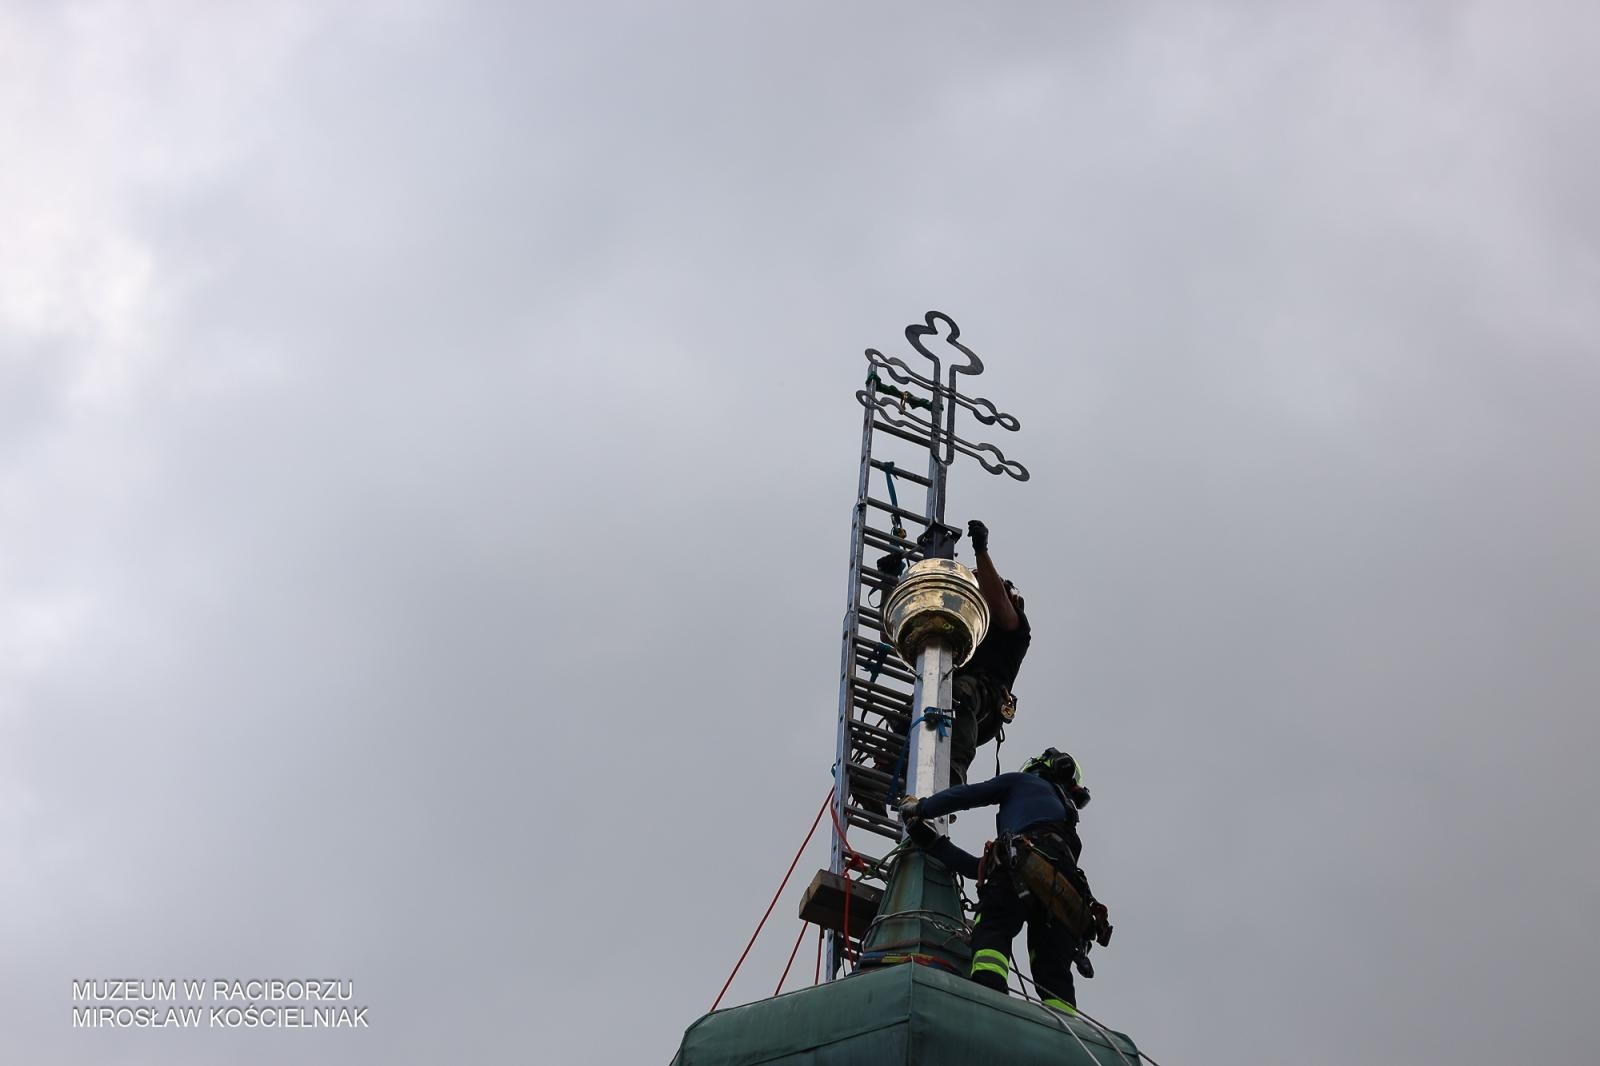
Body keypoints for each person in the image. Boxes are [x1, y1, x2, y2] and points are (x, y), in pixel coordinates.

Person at [896, 748, 1110, 1013]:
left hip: (1020, 869)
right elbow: (979, 868)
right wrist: (935, 843)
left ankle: (987, 995)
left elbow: (968, 795)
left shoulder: (1023, 783)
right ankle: (1064, 1027)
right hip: (1065, 896)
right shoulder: (1062, 829)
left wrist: (921, 808)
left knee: (994, 926)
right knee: (1053, 972)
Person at [950, 519, 1030, 786]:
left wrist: (981, 550)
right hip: (952, 698)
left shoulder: (1015, 628)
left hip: (983, 702)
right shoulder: (963, 627)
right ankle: (877, 779)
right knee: (907, 715)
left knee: (959, 692)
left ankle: (953, 767)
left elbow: (997, 604)